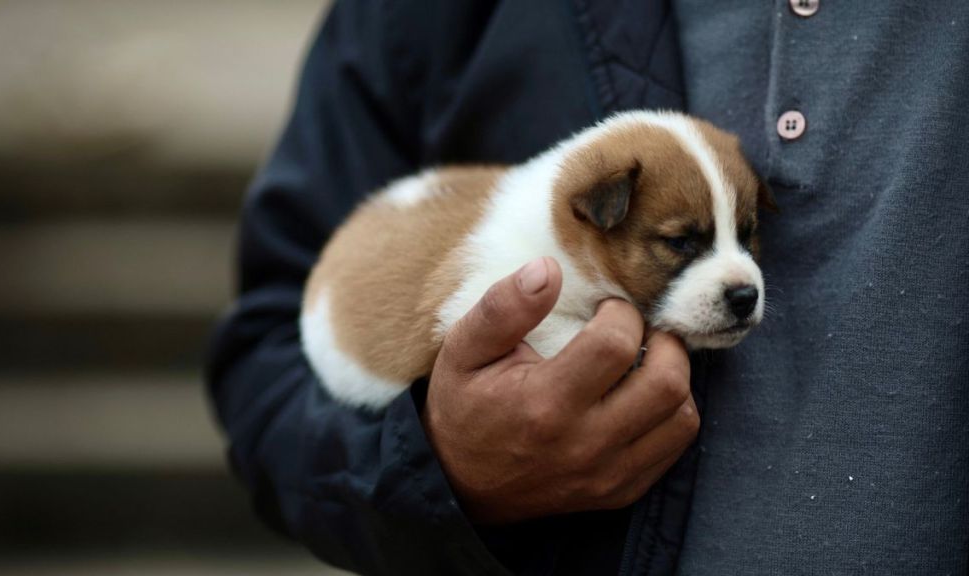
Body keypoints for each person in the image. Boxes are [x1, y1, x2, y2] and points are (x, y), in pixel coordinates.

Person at [206, 1, 969, 574]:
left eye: (746, 235)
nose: (742, 280)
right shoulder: (524, 245)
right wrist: (443, 464)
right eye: (683, 244)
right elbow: (271, 354)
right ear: (594, 217)